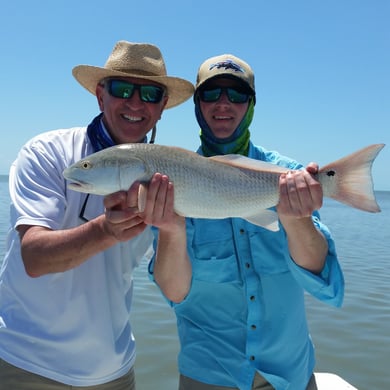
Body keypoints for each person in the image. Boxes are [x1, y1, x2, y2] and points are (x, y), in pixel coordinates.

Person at [0, 40, 194, 389]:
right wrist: (105, 230)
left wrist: (173, 230)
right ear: (100, 94)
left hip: (115, 373)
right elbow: (34, 257)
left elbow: (175, 291)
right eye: (122, 89)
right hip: (26, 365)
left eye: (150, 93)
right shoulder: (50, 153)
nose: (135, 103)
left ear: (163, 106)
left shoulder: (172, 177)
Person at [147, 54, 345, 390]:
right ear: (197, 104)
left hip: (290, 375)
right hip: (209, 375)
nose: (223, 103)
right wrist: (170, 228)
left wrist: (295, 221)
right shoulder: (170, 181)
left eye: (236, 95)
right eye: (212, 94)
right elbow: (175, 292)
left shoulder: (288, 174)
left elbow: (323, 285)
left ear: (250, 104)